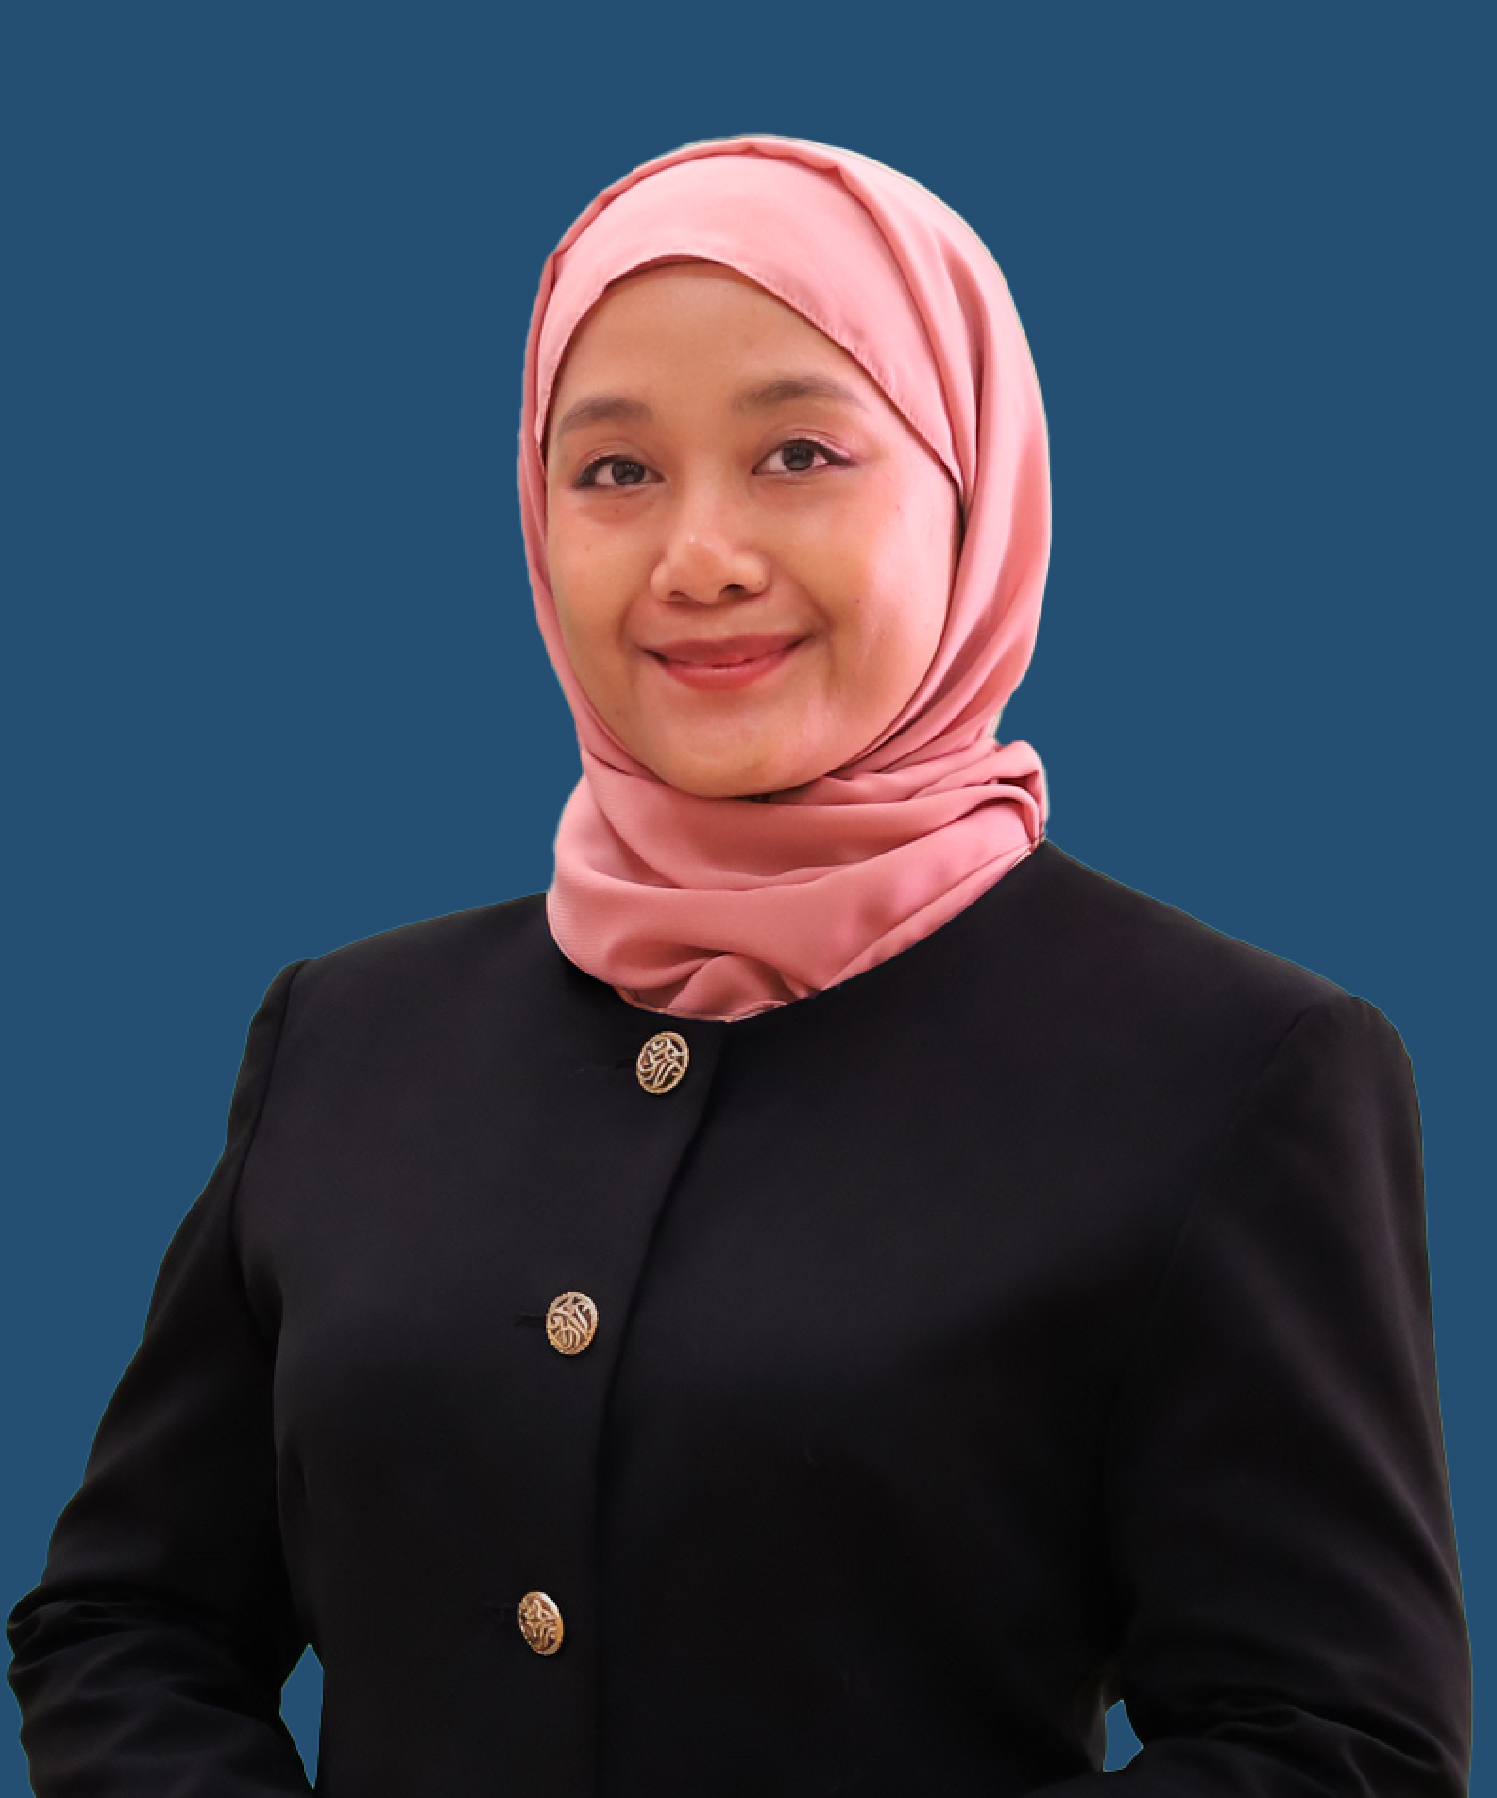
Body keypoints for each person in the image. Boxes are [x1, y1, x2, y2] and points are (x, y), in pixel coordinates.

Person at [7, 135, 1471, 1795]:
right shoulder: (345, 1035)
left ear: (970, 489)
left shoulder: (1229, 1067)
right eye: (614, 469)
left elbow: (1329, 1741)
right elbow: (127, 1622)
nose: (696, 554)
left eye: (796, 452)